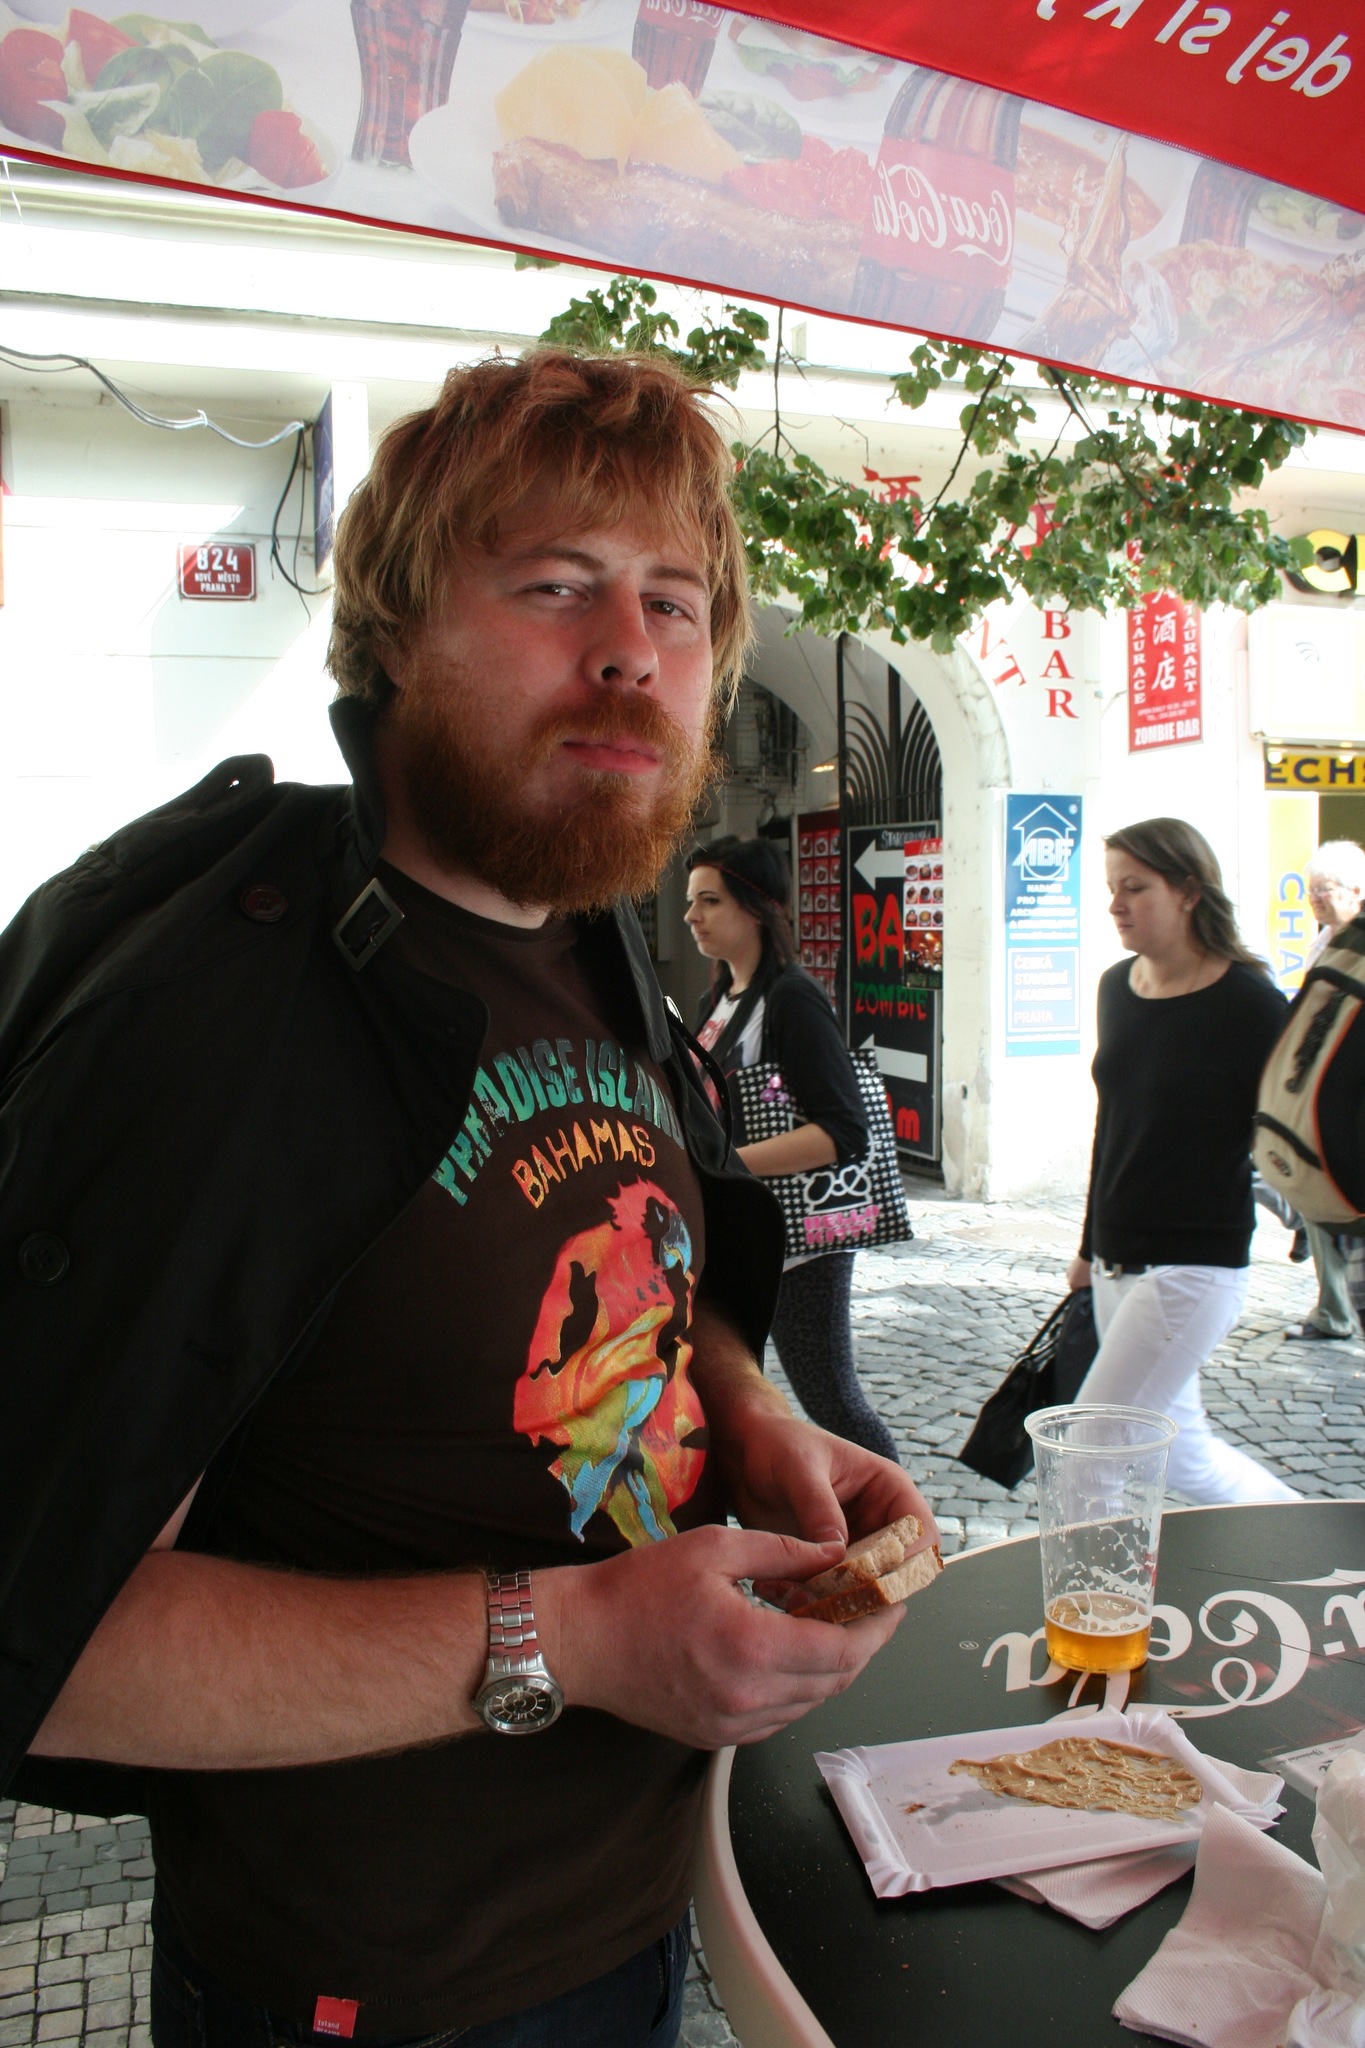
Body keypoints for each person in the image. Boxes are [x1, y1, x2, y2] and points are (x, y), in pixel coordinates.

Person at [1, 350, 937, 2048]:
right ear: (393, 637)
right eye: (555, 584)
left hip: (640, 1902)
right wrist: (567, 1640)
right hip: (377, 1989)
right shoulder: (220, 1013)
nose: (628, 650)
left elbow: (644, 1262)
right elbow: (43, 1639)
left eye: (674, 603)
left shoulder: (587, 935)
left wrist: (746, 1409)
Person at [1066, 817, 1300, 1505]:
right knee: (1184, 1457)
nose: (1115, 905)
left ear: (1189, 892)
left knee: (1087, 1459)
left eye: (1134, 888)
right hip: (1116, 1262)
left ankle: (1100, 1588)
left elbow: (1297, 1128)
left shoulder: (1251, 1004)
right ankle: (1316, 1541)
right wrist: (1087, 1247)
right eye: (1112, 887)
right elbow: (1111, 1124)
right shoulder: (1116, 987)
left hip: (1193, 1268)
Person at [685, 837, 901, 1463]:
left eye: (709, 900)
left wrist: (726, 1166)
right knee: (733, 1394)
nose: (692, 915)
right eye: (692, 901)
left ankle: (902, 1512)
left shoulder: (791, 998)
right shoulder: (716, 1001)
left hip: (802, 1242)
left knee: (831, 1399)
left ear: (755, 908)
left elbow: (843, 1131)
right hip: (748, 1234)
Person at [1286, 839, 1365, 1342]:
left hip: (1351, 1100)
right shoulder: (1323, 944)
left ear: (1357, 891)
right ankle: (1333, 1309)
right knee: (1314, 1196)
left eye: (1326, 889)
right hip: (1323, 1096)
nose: (1315, 898)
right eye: (1311, 890)